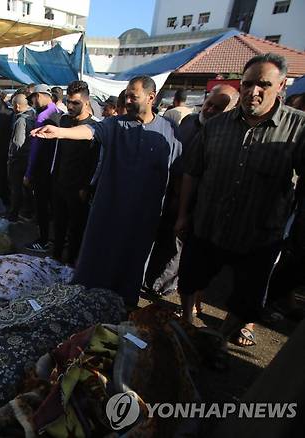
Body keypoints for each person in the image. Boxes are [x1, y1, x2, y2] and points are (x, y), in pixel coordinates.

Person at [175, 53, 305, 347]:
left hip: (259, 235)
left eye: (263, 84)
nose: (253, 92)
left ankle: (220, 339)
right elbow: (193, 173)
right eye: (247, 84)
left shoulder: (299, 129)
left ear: (281, 85)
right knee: (190, 278)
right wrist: (183, 215)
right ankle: (187, 324)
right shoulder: (215, 126)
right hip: (208, 225)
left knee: (247, 296)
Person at [33, 75, 182, 306]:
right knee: (96, 261)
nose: (128, 99)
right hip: (109, 211)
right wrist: (60, 132)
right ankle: (86, 304)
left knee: (132, 266)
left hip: (144, 217)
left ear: (151, 97)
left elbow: (177, 169)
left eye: (134, 96)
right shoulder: (116, 124)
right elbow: (90, 131)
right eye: (127, 94)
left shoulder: (168, 131)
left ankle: (124, 308)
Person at [143, 84, 240, 299]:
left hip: (199, 201)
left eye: (218, 108)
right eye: (209, 104)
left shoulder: (229, 134)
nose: (211, 110)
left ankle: (162, 287)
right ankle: (150, 279)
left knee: (180, 247)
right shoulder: (188, 121)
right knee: (162, 238)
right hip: (171, 194)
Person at [50, 80, 100, 265]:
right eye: (69, 102)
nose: (70, 106)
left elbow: (95, 161)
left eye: (75, 103)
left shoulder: (95, 127)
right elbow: (59, 152)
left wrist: (86, 186)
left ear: (86, 102)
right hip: (60, 182)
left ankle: (71, 263)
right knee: (58, 224)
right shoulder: (63, 120)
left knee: (76, 228)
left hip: (79, 188)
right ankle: (54, 259)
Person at [24, 84, 62, 252]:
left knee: (42, 206)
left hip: (43, 169)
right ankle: (55, 239)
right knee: (54, 206)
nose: (32, 101)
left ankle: (44, 240)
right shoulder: (59, 112)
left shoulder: (42, 117)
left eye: (32, 98)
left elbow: (35, 149)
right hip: (56, 168)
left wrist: (29, 172)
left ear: (38, 96)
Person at [7, 93, 36, 222]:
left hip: (19, 160)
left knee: (16, 188)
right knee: (26, 188)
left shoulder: (20, 120)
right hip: (29, 158)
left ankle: (15, 214)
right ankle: (27, 212)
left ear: (17, 106)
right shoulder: (33, 116)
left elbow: (18, 143)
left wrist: (11, 156)